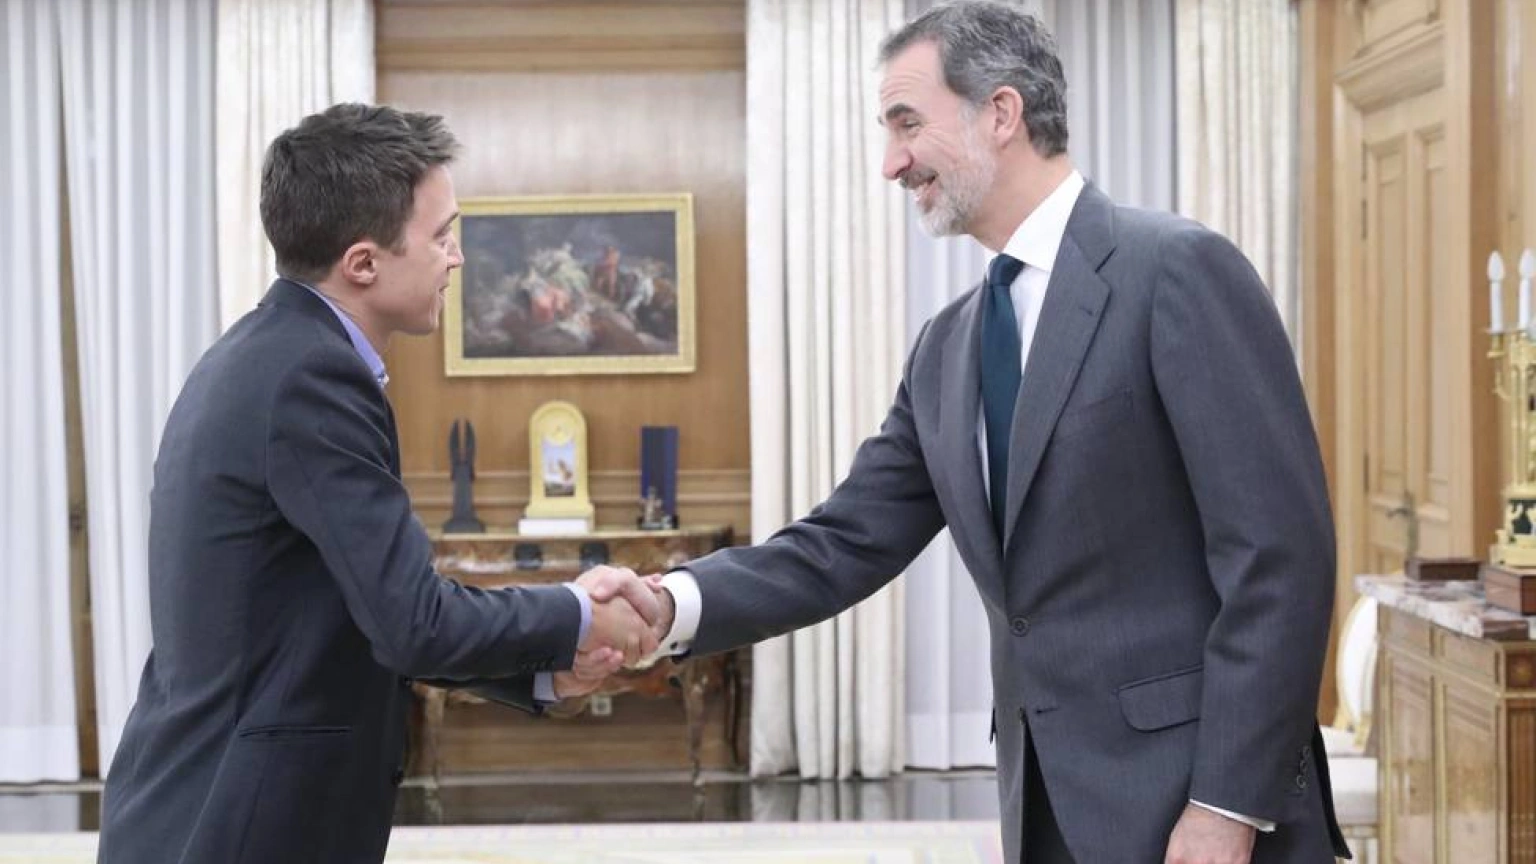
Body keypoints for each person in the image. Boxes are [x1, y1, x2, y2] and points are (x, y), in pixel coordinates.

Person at [639, 3, 1349, 862]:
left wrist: (1227, 804)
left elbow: (1280, 557)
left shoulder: (1177, 270)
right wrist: (670, 604)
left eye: (907, 123)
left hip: (1197, 809)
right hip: (1041, 806)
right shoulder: (946, 349)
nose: (891, 162)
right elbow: (841, 543)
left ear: (1001, 113)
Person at [97, 104, 660, 864]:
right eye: (442, 236)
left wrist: (545, 672)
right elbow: (413, 623)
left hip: (207, 806)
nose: (457, 258)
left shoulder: (270, 354)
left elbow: (364, 611)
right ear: (364, 263)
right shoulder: (312, 376)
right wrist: (577, 614)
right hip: (239, 821)